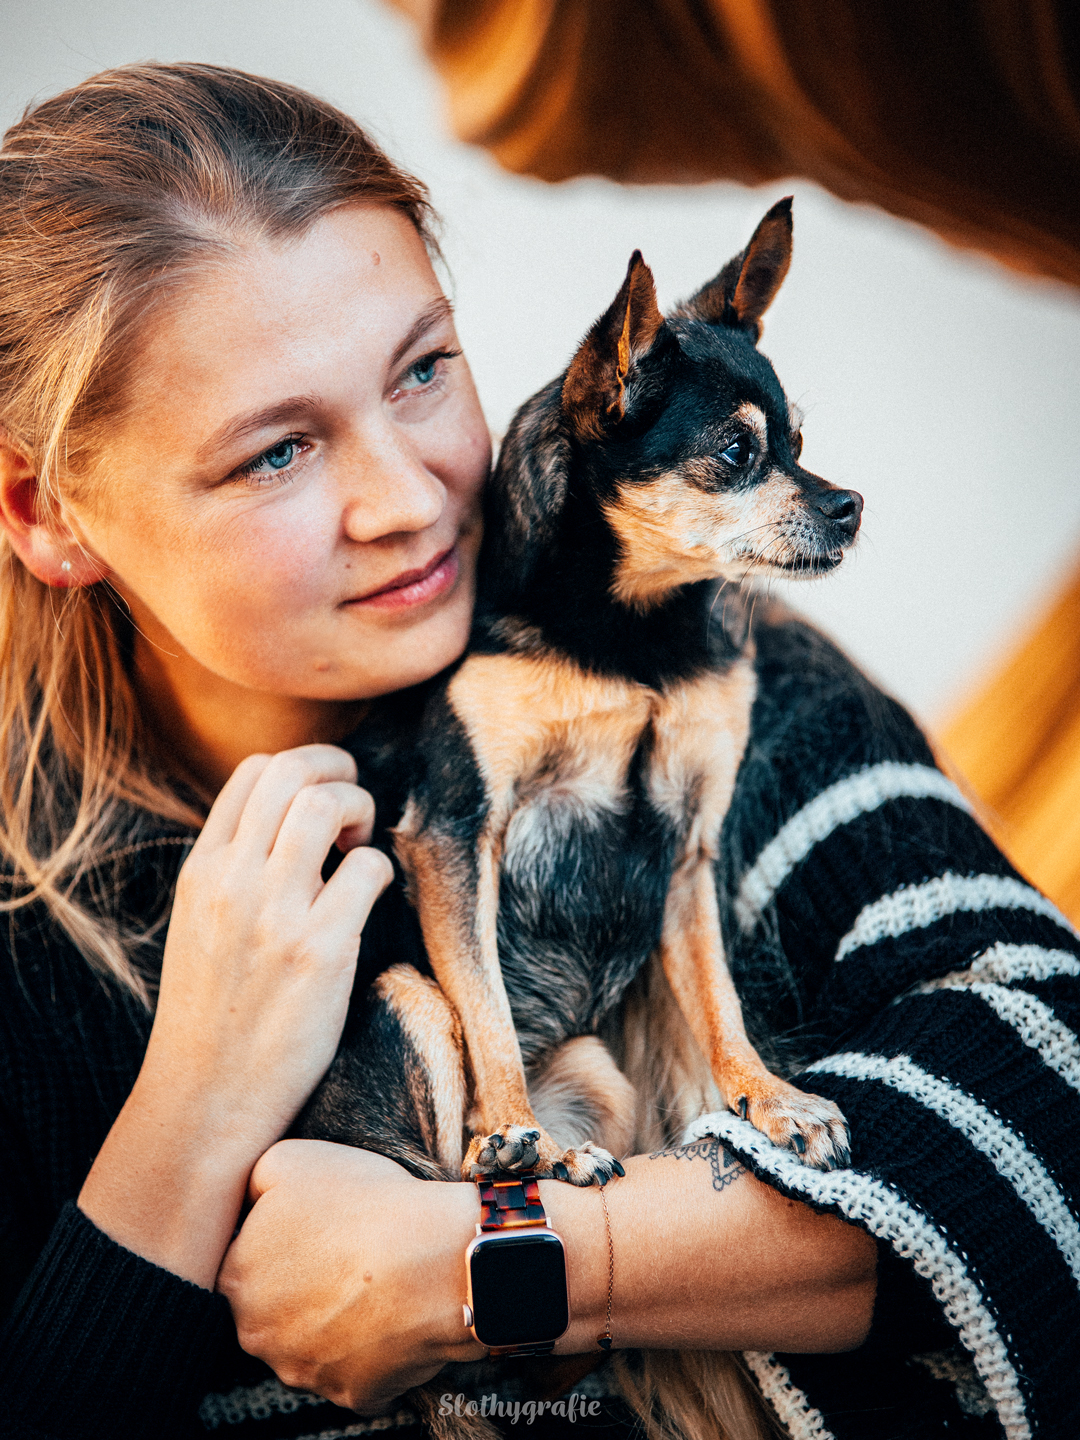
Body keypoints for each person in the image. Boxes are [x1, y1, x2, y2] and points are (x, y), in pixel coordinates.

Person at [0, 61, 1075, 1440]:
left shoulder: (704, 667)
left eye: (422, 368)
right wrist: (186, 1120)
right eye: (275, 454)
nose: (406, 500)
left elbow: (1054, 1072)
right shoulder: (28, 940)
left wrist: (509, 1268)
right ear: (48, 513)